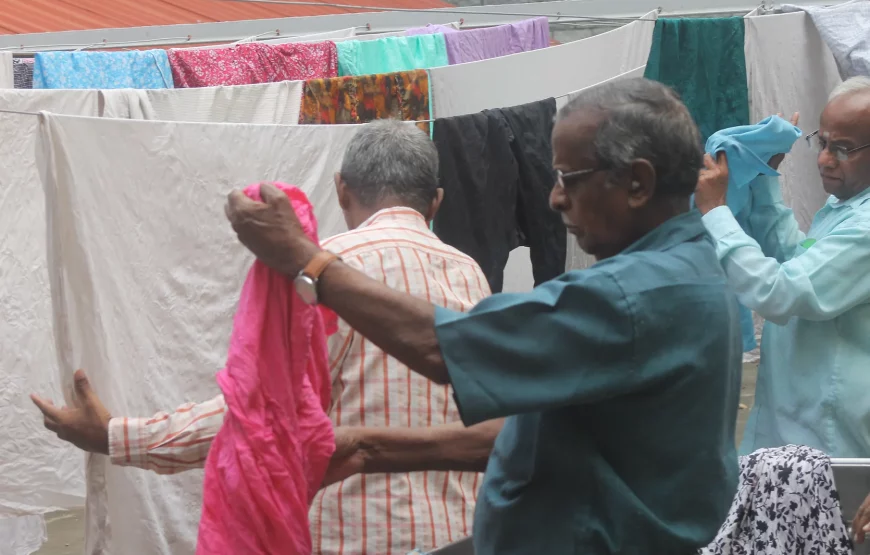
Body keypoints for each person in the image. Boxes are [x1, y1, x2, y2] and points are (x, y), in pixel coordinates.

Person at [223, 78, 743, 555]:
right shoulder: (684, 272)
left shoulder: (635, 297)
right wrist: (367, 448)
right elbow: (540, 436)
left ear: (637, 183)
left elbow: (441, 346)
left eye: (569, 177)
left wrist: (306, 260)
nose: (555, 197)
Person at [31, 119, 503, 555]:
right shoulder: (471, 276)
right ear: (436, 201)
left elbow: (259, 413)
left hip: (349, 539)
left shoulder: (321, 272)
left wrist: (117, 436)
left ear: (340, 190)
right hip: (459, 536)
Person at [695, 76, 870, 458]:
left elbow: (780, 292)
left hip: (829, 440)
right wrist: (760, 179)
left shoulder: (866, 228)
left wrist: (716, 212)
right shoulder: (848, 209)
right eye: (822, 142)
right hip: (797, 423)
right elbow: (797, 259)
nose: (824, 159)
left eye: (842, 148)